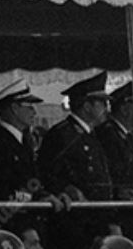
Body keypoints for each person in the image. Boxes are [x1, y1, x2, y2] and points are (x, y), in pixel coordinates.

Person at [37, 72, 115, 201]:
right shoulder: (62, 134)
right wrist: (65, 188)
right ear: (87, 106)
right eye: (102, 103)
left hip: (97, 210)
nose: (106, 109)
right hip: (76, 213)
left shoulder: (91, 134)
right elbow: (46, 171)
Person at [0, 83, 44, 200]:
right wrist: (36, 198)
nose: (34, 112)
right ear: (14, 108)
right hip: (11, 215)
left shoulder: (22, 141)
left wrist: (46, 195)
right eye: (29, 106)